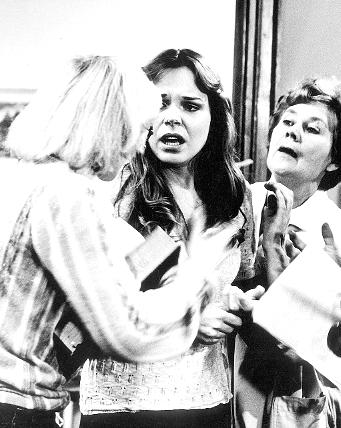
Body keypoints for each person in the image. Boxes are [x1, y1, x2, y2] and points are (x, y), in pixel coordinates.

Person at [0, 55, 240, 428]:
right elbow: (130, 333)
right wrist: (197, 280)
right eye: (141, 128)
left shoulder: (16, 181)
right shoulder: (70, 195)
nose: (139, 146)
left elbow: (126, 269)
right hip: (14, 408)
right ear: (111, 124)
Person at [78, 48, 262, 428]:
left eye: (191, 106)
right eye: (161, 103)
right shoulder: (113, 187)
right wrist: (190, 320)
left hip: (206, 399)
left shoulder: (236, 194)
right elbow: (98, 306)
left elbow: (239, 280)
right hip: (123, 406)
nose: (172, 117)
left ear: (214, 117)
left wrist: (235, 303)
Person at [234, 76, 341, 428]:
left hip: (289, 394)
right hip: (224, 380)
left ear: (334, 160)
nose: (292, 132)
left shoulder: (340, 235)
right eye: (287, 122)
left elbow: (322, 341)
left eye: (312, 129)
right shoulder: (235, 204)